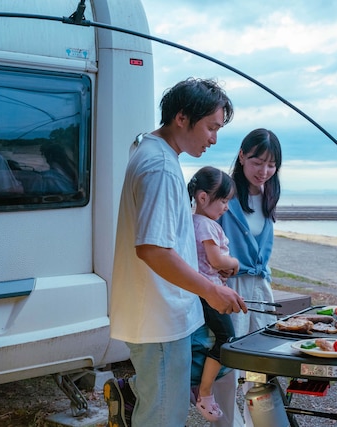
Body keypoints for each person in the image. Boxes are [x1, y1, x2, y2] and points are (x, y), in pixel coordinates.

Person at [105, 77, 247, 427]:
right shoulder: (161, 166)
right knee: (163, 418)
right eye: (211, 127)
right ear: (182, 118)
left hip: (156, 316)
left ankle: (130, 396)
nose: (214, 138)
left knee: (158, 405)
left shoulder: (149, 150)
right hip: (159, 319)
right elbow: (152, 249)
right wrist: (211, 290)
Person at [217, 128, 282, 426]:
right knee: (229, 360)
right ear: (242, 156)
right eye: (258, 162)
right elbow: (202, 235)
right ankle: (227, 422)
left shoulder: (270, 193)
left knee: (261, 360)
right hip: (230, 286)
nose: (264, 171)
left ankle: (259, 420)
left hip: (260, 288)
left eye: (271, 165)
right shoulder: (224, 192)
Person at [187, 166, 239, 422]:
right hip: (208, 295)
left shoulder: (191, 221)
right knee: (226, 339)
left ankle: (200, 387)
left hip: (200, 291)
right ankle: (204, 392)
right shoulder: (206, 224)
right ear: (203, 197)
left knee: (209, 340)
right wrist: (234, 263)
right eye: (224, 201)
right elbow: (216, 260)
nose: (226, 208)